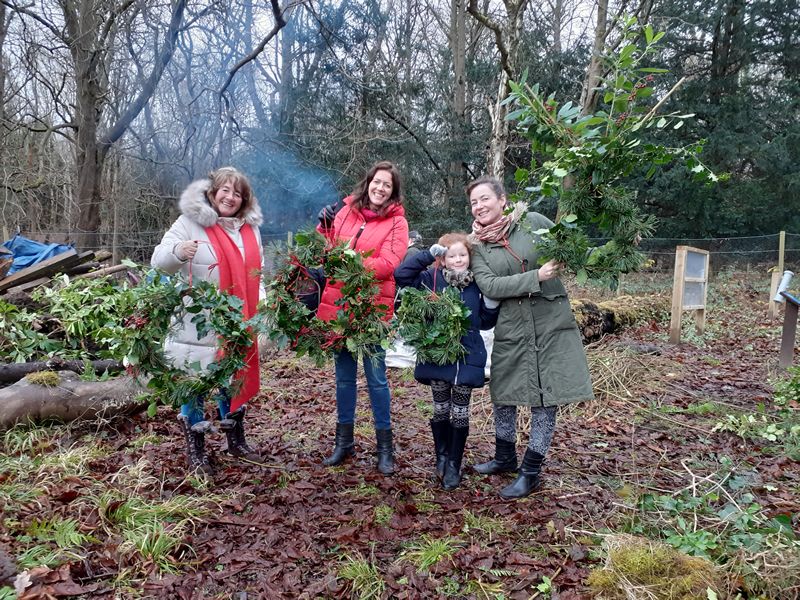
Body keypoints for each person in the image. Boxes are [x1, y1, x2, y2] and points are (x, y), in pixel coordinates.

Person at [466, 175, 593, 499]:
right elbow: (490, 286)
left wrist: (565, 255)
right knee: (504, 390)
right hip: (512, 325)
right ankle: (505, 457)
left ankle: (531, 470)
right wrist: (535, 276)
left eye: (484, 199)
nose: (479, 206)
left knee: (545, 395)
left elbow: (567, 244)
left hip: (550, 319)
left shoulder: (533, 222)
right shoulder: (477, 246)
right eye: (474, 202)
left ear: (503, 200)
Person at [151, 167, 264, 480]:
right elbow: (158, 260)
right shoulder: (190, 222)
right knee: (194, 383)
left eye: (237, 193)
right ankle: (196, 449)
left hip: (236, 322)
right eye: (225, 190)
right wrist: (177, 252)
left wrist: (261, 306)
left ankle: (234, 440)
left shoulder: (249, 230)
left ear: (244, 199)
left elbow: (259, 273)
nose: (230, 197)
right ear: (213, 192)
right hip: (196, 324)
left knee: (233, 378)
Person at [317, 161, 409, 475]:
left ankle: (385, 447)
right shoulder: (346, 210)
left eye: (387, 185)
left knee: (376, 378)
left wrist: (353, 266)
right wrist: (325, 226)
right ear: (368, 182)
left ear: (393, 192)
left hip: (372, 307)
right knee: (343, 377)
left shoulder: (397, 222)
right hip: (339, 305)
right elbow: (327, 251)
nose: (380, 188)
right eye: (377, 182)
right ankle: (344, 442)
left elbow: (389, 262)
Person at [394, 232, 498, 490]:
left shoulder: (476, 283)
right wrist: (427, 256)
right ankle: (440, 456)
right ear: (442, 259)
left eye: (463, 255)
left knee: (460, 411)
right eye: (452, 256)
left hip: (467, 355)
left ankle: (454, 463)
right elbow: (401, 276)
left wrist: (492, 305)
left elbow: (484, 321)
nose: (458, 260)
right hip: (437, 354)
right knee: (441, 408)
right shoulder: (431, 279)